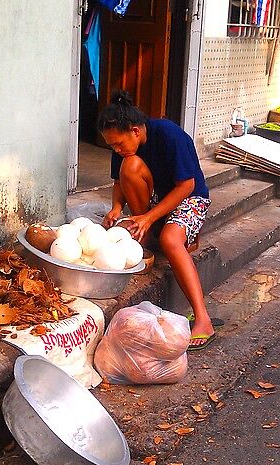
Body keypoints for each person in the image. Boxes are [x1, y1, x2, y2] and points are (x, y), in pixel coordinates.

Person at [97, 90, 216, 351]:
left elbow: (187, 186)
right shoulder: (124, 145)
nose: (116, 149)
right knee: (129, 167)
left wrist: (149, 217)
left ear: (135, 132)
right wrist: (117, 208)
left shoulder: (169, 135)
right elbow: (120, 181)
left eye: (118, 144)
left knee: (171, 240)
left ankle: (203, 319)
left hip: (190, 199)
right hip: (158, 200)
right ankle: (151, 232)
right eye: (112, 146)